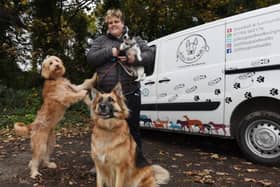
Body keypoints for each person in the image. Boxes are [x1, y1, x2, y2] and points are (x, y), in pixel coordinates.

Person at [86, 9, 154, 167]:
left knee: (133, 129)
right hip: (106, 96)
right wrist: (111, 51)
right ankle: (103, 164)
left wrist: (133, 59)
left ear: (123, 23)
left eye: (116, 21)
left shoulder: (135, 39)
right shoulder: (101, 41)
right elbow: (90, 58)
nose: (112, 25)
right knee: (104, 131)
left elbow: (149, 55)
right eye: (110, 23)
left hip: (130, 91)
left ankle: (138, 161)